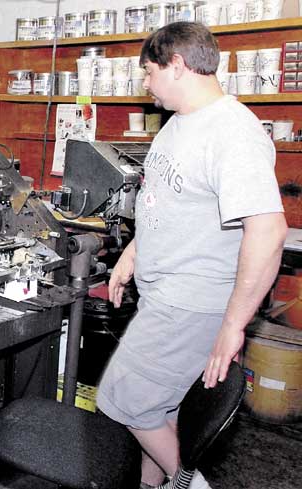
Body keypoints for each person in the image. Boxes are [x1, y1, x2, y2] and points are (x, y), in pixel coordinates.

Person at [98, 22, 287, 489]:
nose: (145, 84)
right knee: (158, 408)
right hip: (165, 295)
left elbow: (268, 232)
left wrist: (233, 326)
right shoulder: (181, 122)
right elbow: (169, 203)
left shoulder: (233, 132)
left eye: (149, 72)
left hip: (190, 303)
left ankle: (190, 485)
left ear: (178, 66)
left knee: (125, 400)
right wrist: (134, 253)